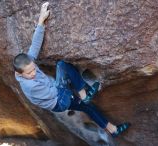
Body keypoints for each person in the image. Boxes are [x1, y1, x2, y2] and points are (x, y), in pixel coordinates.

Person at [13, 2, 130, 138]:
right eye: (29, 73)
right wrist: (71, 90)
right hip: (58, 100)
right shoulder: (30, 86)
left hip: (57, 97)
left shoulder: (26, 64)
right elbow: (53, 92)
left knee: (87, 107)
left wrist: (41, 20)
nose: (33, 73)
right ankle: (84, 95)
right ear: (19, 73)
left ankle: (113, 130)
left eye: (33, 69)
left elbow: (35, 46)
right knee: (62, 65)